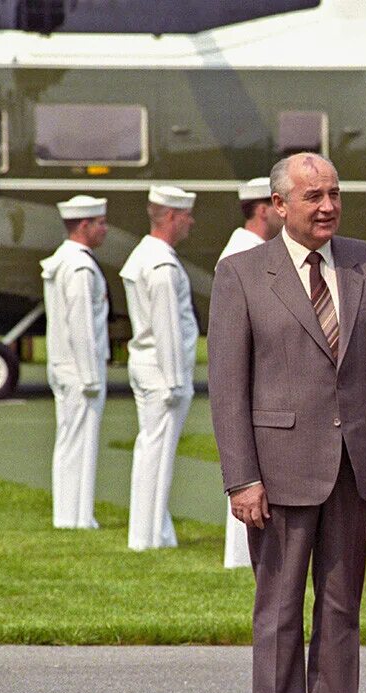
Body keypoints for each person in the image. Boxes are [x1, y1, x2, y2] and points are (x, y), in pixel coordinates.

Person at [207, 152, 366, 693]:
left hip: (356, 465)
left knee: (341, 603)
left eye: (333, 194)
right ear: (279, 206)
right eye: (312, 197)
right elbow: (227, 388)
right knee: (277, 607)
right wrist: (241, 477)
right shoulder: (240, 274)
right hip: (276, 471)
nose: (327, 206)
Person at [120, 185, 198, 551]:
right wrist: (175, 382)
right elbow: (168, 327)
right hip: (162, 371)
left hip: (147, 365)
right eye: (185, 216)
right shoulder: (163, 264)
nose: (190, 223)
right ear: (170, 216)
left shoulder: (144, 254)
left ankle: (154, 531)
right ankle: (148, 536)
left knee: (151, 449)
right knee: (158, 453)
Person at [217, 176, 284, 569]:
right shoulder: (245, 258)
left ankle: (240, 557)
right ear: (264, 210)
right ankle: (240, 558)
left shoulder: (246, 250)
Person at [40, 194, 110, 529]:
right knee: (80, 445)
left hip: (63, 365)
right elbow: (81, 325)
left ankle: (68, 515)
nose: (104, 229)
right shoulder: (80, 266)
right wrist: (91, 377)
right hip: (81, 369)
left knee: (70, 443)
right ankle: (78, 517)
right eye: (100, 223)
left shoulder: (63, 260)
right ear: (84, 225)